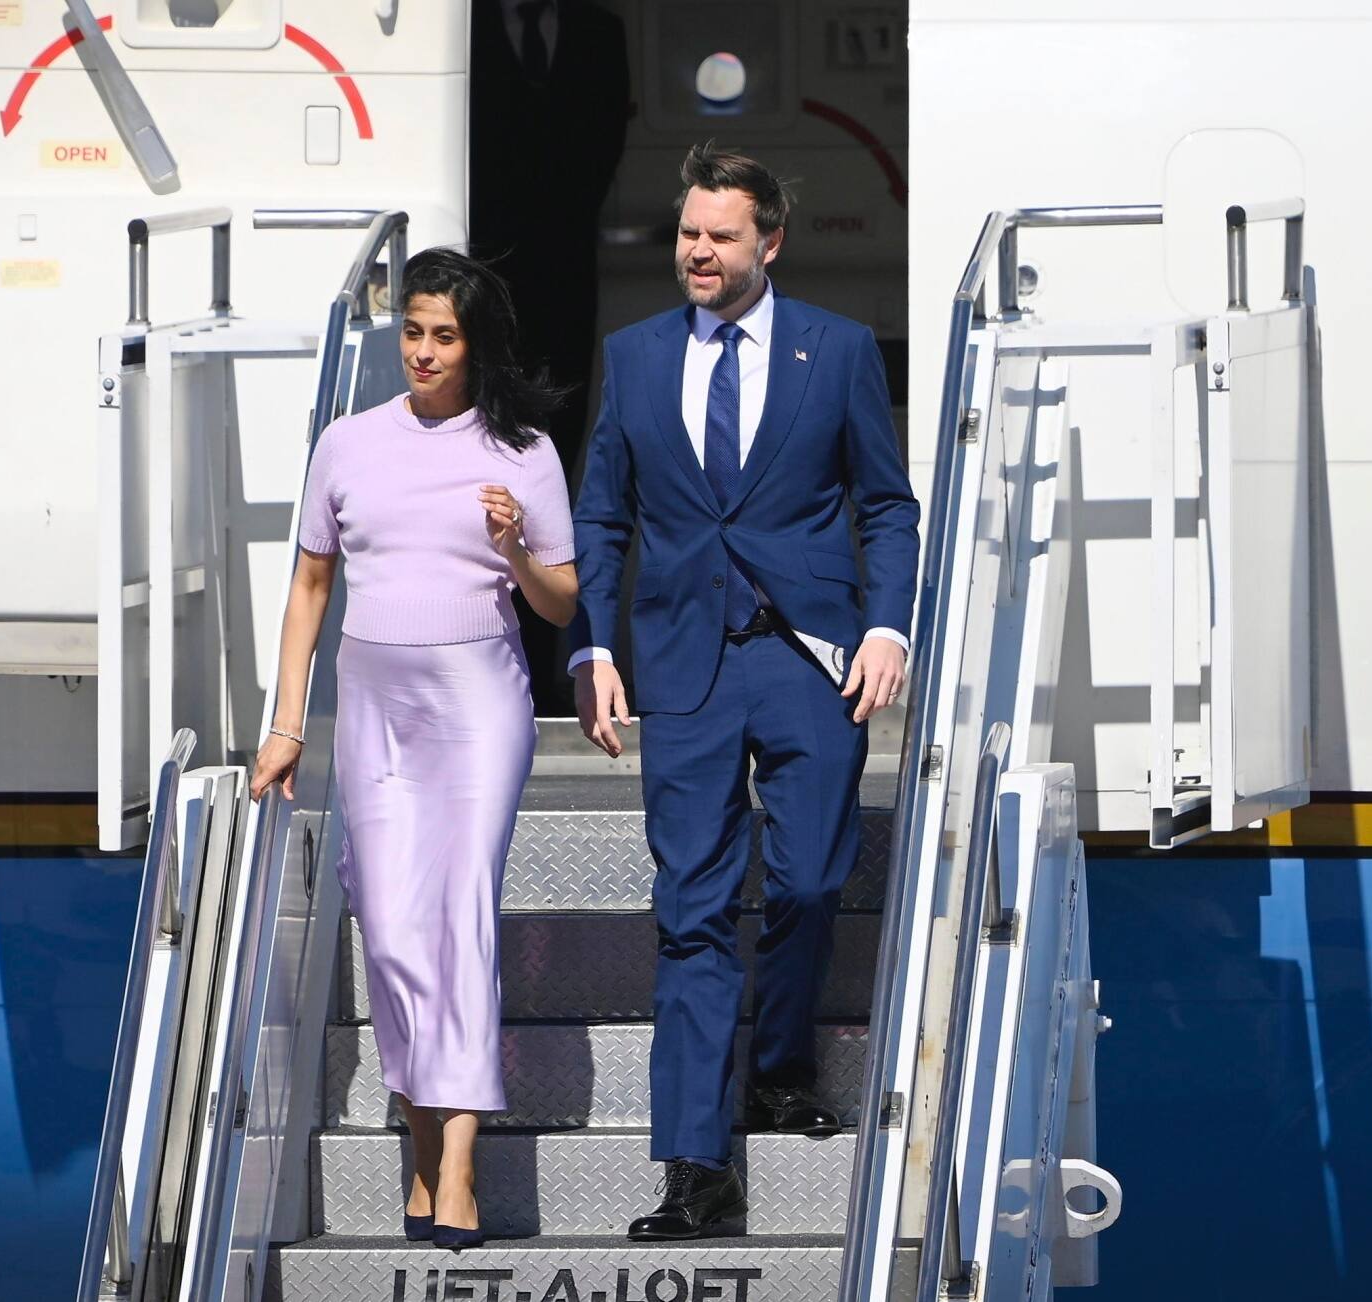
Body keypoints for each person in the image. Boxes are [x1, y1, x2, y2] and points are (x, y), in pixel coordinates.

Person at [569, 145, 921, 1240]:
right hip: (684, 664)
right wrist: (593, 647)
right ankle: (693, 1166)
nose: (698, 253)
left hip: (810, 654)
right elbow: (602, 518)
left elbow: (885, 506)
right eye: (686, 234)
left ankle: (777, 1064)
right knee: (692, 914)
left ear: (769, 240)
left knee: (813, 876)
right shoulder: (631, 359)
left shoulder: (840, 350)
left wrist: (886, 622)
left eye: (720, 236)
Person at [251, 248, 577, 1252]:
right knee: (390, 930)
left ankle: (459, 1165)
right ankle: (422, 1125)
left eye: (445, 336)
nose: (424, 352)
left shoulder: (522, 450)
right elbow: (309, 591)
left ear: (476, 347)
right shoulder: (347, 444)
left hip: (478, 697)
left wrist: (517, 542)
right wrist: (286, 723)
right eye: (414, 332)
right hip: (375, 698)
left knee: (459, 918)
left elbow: (560, 603)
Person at [470, 0, 631, 712]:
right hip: (484, 288)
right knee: (481, 469)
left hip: (565, 285)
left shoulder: (598, 32)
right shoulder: (465, 28)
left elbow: (602, 151)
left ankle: (546, 670)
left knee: (554, 470)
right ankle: (491, 659)